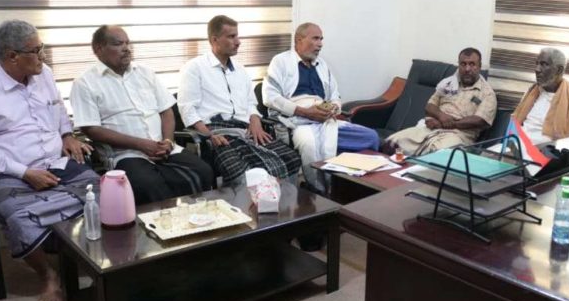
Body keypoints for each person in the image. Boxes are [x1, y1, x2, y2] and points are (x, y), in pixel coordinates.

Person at [0, 20, 98, 301]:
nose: (43, 56)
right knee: (16, 215)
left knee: (104, 191)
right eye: (37, 50)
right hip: (11, 170)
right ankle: (48, 275)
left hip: (55, 161)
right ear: (13, 56)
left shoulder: (44, 74)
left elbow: (58, 108)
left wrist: (67, 135)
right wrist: (25, 173)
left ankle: (89, 259)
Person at [71, 25, 213, 205]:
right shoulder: (85, 83)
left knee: (203, 170)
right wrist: (141, 145)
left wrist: (168, 141)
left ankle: (197, 218)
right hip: (126, 154)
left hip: (164, 148)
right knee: (148, 185)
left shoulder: (145, 72)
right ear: (99, 49)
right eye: (118, 44)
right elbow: (91, 129)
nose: (126, 48)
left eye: (127, 43)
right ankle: (165, 221)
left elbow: (166, 111)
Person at [177, 15, 301, 184]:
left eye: (237, 36)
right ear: (214, 40)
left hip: (245, 129)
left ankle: (283, 200)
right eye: (231, 36)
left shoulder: (240, 70)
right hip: (216, 132)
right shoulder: (194, 68)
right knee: (240, 171)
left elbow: (251, 103)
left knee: (291, 158)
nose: (238, 42)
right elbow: (188, 109)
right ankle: (250, 201)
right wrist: (209, 135)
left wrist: (256, 121)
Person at [263, 22, 379, 193]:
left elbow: (335, 96)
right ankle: (319, 191)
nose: (320, 44)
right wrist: (305, 112)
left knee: (371, 137)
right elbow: (270, 97)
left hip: (325, 119)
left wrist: (332, 108)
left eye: (321, 39)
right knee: (311, 145)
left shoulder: (322, 65)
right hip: (298, 121)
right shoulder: (281, 61)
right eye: (315, 39)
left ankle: (353, 187)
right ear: (299, 40)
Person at [384, 47, 497, 156]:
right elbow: (429, 106)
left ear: (479, 66)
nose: (467, 69)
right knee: (391, 143)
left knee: (436, 155)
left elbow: (479, 120)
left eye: (472, 64)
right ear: (459, 65)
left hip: (458, 136)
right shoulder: (448, 83)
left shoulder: (487, 93)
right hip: (430, 129)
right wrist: (441, 116)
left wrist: (446, 124)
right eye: (463, 64)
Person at [512, 47, 569, 144]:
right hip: (515, 144)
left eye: (544, 64)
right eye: (537, 63)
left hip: (544, 151)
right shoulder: (531, 92)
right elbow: (516, 125)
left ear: (559, 70)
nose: (537, 69)